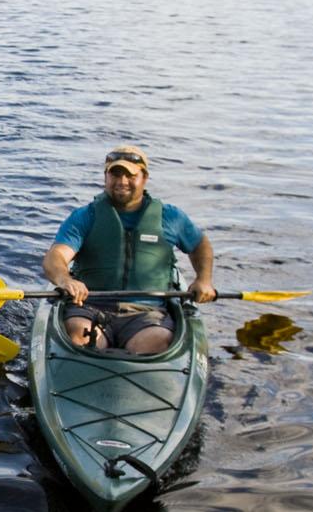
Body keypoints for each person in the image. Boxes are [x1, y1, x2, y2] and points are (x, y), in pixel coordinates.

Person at [41, 145, 215, 355]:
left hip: (148, 312)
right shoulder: (85, 216)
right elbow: (56, 256)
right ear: (106, 176)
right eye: (115, 174)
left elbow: (199, 246)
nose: (122, 182)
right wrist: (64, 279)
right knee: (79, 336)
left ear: (144, 178)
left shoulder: (170, 217)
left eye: (130, 175)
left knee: (156, 343)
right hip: (89, 307)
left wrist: (203, 279)